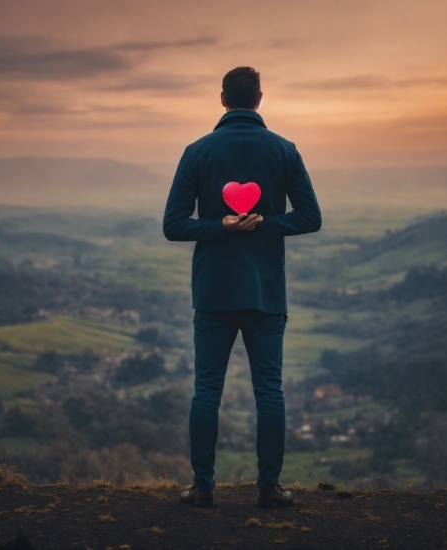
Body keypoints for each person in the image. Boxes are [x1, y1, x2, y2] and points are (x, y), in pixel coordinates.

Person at [163, 66, 321, 508]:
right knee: (270, 392)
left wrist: (220, 227)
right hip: (266, 293)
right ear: (259, 99)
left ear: (222, 99)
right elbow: (311, 217)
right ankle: (269, 488)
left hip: (213, 294)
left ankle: (202, 487)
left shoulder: (197, 152)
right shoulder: (283, 151)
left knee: (206, 392)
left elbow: (173, 225)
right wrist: (267, 223)